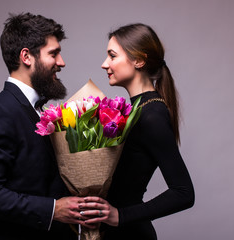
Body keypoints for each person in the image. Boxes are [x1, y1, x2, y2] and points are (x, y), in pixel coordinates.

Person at [0, 13, 89, 240]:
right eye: (53, 53)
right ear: (27, 56)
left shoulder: (38, 110)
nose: (61, 62)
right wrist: (53, 210)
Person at [78, 23, 195, 239]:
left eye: (112, 56)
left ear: (139, 60)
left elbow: (184, 193)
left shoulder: (152, 114)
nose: (105, 64)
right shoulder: (133, 109)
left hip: (131, 234)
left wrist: (120, 216)